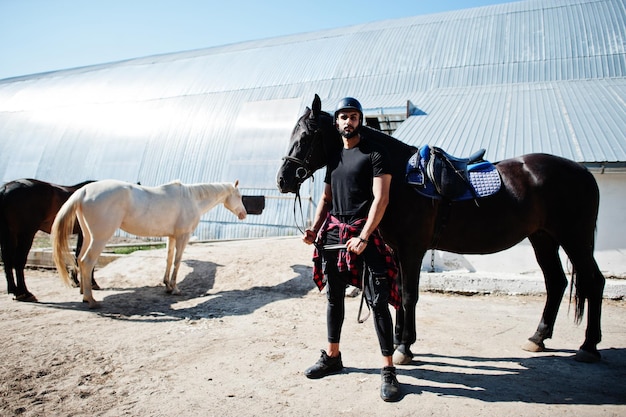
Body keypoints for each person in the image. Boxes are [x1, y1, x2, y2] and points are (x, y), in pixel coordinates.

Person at [302, 97, 401, 402]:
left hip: (364, 236)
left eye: (353, 116)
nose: (348, 121)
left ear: (361, 120)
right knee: (334, 298)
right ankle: (333, 356)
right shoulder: (333, 159)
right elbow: (326, 199)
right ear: (337, 123)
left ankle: (388, 370)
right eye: (343, 117)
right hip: (334, 235)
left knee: (379, 302)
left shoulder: (375, 154)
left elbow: (381, 200)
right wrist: (314, 228)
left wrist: (365, 236)